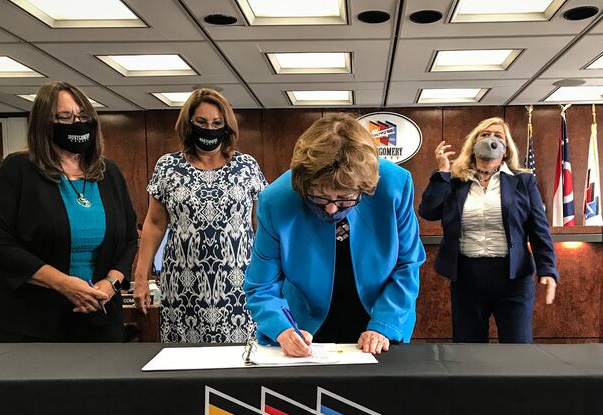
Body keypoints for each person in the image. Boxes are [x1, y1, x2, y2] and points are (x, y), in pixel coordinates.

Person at [243, 113, 426, 356]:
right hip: (305, 324)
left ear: (365, 187)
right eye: (319, 196)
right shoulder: (277, 200)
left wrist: (384, 324)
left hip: (380, 315)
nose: (331, 208)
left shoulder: (394, 185)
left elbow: (407, 263)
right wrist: (283, 328)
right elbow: (261, 285)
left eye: (344, 198)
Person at [0, 81, 137, 342]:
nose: (77, 122)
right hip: (30, 317)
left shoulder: (108, 173)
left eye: (83, 116)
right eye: (65, 117)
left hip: (99, 310)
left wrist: (110, 284)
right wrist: (65, 284)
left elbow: (129, 238)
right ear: (44, 124)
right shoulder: (17, 170)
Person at [133, 88, 267, 343]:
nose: (209, 128)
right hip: (183, 285)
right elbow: (154, 223)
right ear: (188, 124)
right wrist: (141, 277)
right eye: (202, 122)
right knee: (183, 366)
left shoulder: (247, 166)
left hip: (238, 285)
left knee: (240, 363)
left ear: (227, 126)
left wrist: (270, 279)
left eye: (217, 123)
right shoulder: (168, 166)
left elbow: (262, 225)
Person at [418, 117, 558, 343]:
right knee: (468, 350)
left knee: (517, 349)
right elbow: (428, 211)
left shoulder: (523, 181)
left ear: (505, 149)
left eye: (497, 136)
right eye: (484, 135)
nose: (490, 139)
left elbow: (539, 229)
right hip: (467, 277)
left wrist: (548, 270)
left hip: (513, 278)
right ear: (473, 145)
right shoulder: (454, 181)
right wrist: (443, 172)